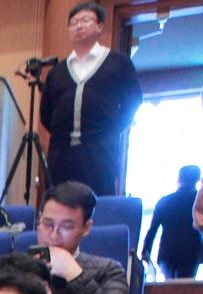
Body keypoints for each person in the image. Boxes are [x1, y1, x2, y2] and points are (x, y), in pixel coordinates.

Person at [43, 2, 143, 195]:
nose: (79, 26)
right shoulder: (57, 72)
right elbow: (46, 113)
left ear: (99, 26)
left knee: (99, 202)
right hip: (61, 154)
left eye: (85, 20)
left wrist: (110, 129)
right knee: (61, 201)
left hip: (101, 151)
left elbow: (133, 100)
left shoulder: (118, 62)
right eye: (74, 23)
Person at [37, 180, 134, 294]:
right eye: (48, 224)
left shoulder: (108, 269)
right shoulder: (15, 267)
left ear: (86, 228)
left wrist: (75, 275)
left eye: (66, 227)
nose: (54, 235)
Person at [142, 165, 203, 281]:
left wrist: (146, 251)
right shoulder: (199, 200)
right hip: (192, 250)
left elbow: (152, 230)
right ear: (197, 179)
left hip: (168, 251)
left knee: (169, 284)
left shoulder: (165, 201)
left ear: (179, 179)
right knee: (186, 284)